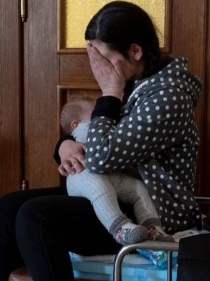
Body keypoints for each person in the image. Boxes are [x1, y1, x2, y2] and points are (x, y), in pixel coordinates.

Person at [0, 2, 202, 280]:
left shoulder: (167, 96)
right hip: (113, 190)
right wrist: (64, 146)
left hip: (153, 212)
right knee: (5, 209)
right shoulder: (136, 80)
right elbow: (91, 131)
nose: (99, 70)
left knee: (36, 217)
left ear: (135, 51)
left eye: (105, 59)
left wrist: (110, 92)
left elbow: (101, 157)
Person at [60, 100, 172, 244]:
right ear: (76, 125)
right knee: (99, 188)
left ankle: (151, 227)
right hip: (82, 175)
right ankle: (120, 229)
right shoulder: (82, 130)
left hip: (112, 176)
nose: (100, 115)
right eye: (95, 113)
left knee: (138, 188)